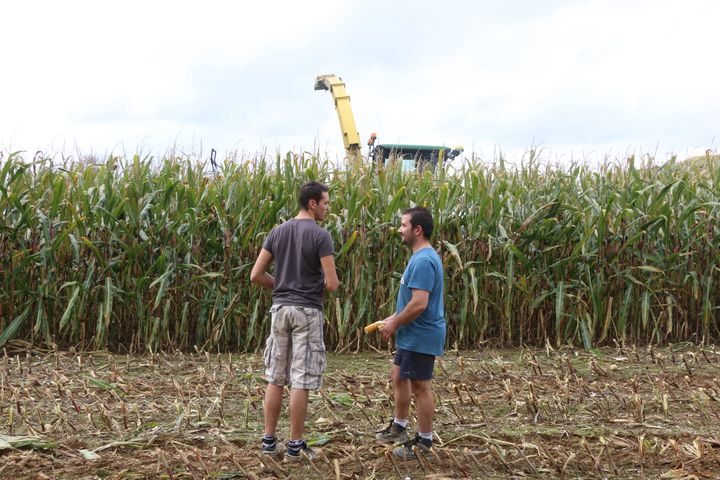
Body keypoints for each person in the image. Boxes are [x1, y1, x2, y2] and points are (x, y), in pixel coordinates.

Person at [250, 181, 339, 462]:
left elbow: (255, 275)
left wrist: (281, 285)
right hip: (307, 312)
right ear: (312, 203)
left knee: (275, 378)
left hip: (280, 310)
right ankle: (294, 447)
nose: (327, 207)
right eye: (325, 202)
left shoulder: (277, 232)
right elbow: (332, 284)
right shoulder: (321, 236)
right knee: (300, 379)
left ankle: (268, 444)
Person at [375, 206, 445, 459]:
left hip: (421, 335)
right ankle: (399, 427)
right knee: (398, 376)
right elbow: (411, 302)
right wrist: (393, 318)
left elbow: (419, 303)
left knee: (420, 386)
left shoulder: (425, 260)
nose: (400, 230)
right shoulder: (419, 257)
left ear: (418, 229)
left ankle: (425, 443)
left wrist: (395, 323)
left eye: (404, 225)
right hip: (411, 333)